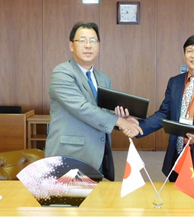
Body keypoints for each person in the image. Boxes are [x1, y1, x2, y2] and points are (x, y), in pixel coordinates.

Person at [116, 34, 194, 182]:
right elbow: (164, 113)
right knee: (176, 202)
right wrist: (138, 126)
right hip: (177, 155)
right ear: (184, 55)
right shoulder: (175, 82)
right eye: (189, 51)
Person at [45, 22, 143, 181]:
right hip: (69, 155)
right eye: (82, 40)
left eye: (93, 41)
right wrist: (119, 122)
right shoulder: (62, 73)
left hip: (98, 154)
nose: (88, 45)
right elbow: (83, 108)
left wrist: (121, 118)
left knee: (95, 203)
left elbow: (103, 113)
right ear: (71, 45)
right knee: (66, 204)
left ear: (98, 46)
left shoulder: (103, 79)